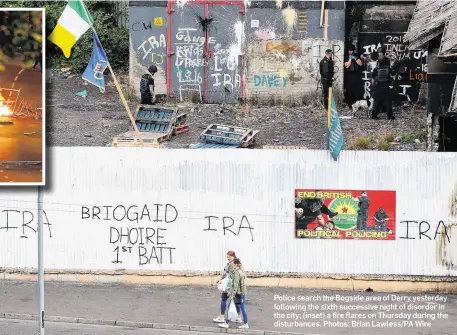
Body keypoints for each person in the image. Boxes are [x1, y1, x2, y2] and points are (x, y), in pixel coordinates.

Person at [219, 258, 249, 329]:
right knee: (242, 308)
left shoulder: (236, 273)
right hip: (242, 293)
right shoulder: (240, 272)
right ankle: (245, 323)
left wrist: (232, 294)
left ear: (236, 264)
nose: (232, 265)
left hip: (238, 294)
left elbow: (235, 285)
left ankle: (227, 323)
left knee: (231, 307)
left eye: (233, 264)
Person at [213, 251, 242, 324]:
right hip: (234, 285)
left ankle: (222, 317)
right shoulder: (235, 263)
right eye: (227, 256)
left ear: (233, 256)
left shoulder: (232, 264)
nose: (228, 257)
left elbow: (230, 276)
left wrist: (228, 287)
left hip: (230, 285)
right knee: (236, 301)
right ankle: (238, 317)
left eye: (229, 256)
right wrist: (220, 279)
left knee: (224, 299)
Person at [371, 47, 395, 120]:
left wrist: (374, 85)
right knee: (388, 103)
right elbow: (393, 74)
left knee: (376, 102)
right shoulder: (388, 68)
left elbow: (372, 78)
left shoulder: (376, 69)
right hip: (386, 87)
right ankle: (389, 116)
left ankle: (374, 116)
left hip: (378, 87)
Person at [344, 44, 363, 109]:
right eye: (349, 51)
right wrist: (350, 59)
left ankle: (357, 105)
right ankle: (350, 105)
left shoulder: (357, 57)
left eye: (351, 51)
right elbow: (347, 66)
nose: (350, 52)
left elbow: (360, 64)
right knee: (350, 91)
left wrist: (355, 58)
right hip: (349, 76)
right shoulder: (346, 57)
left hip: (356, 76)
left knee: (357, 91)